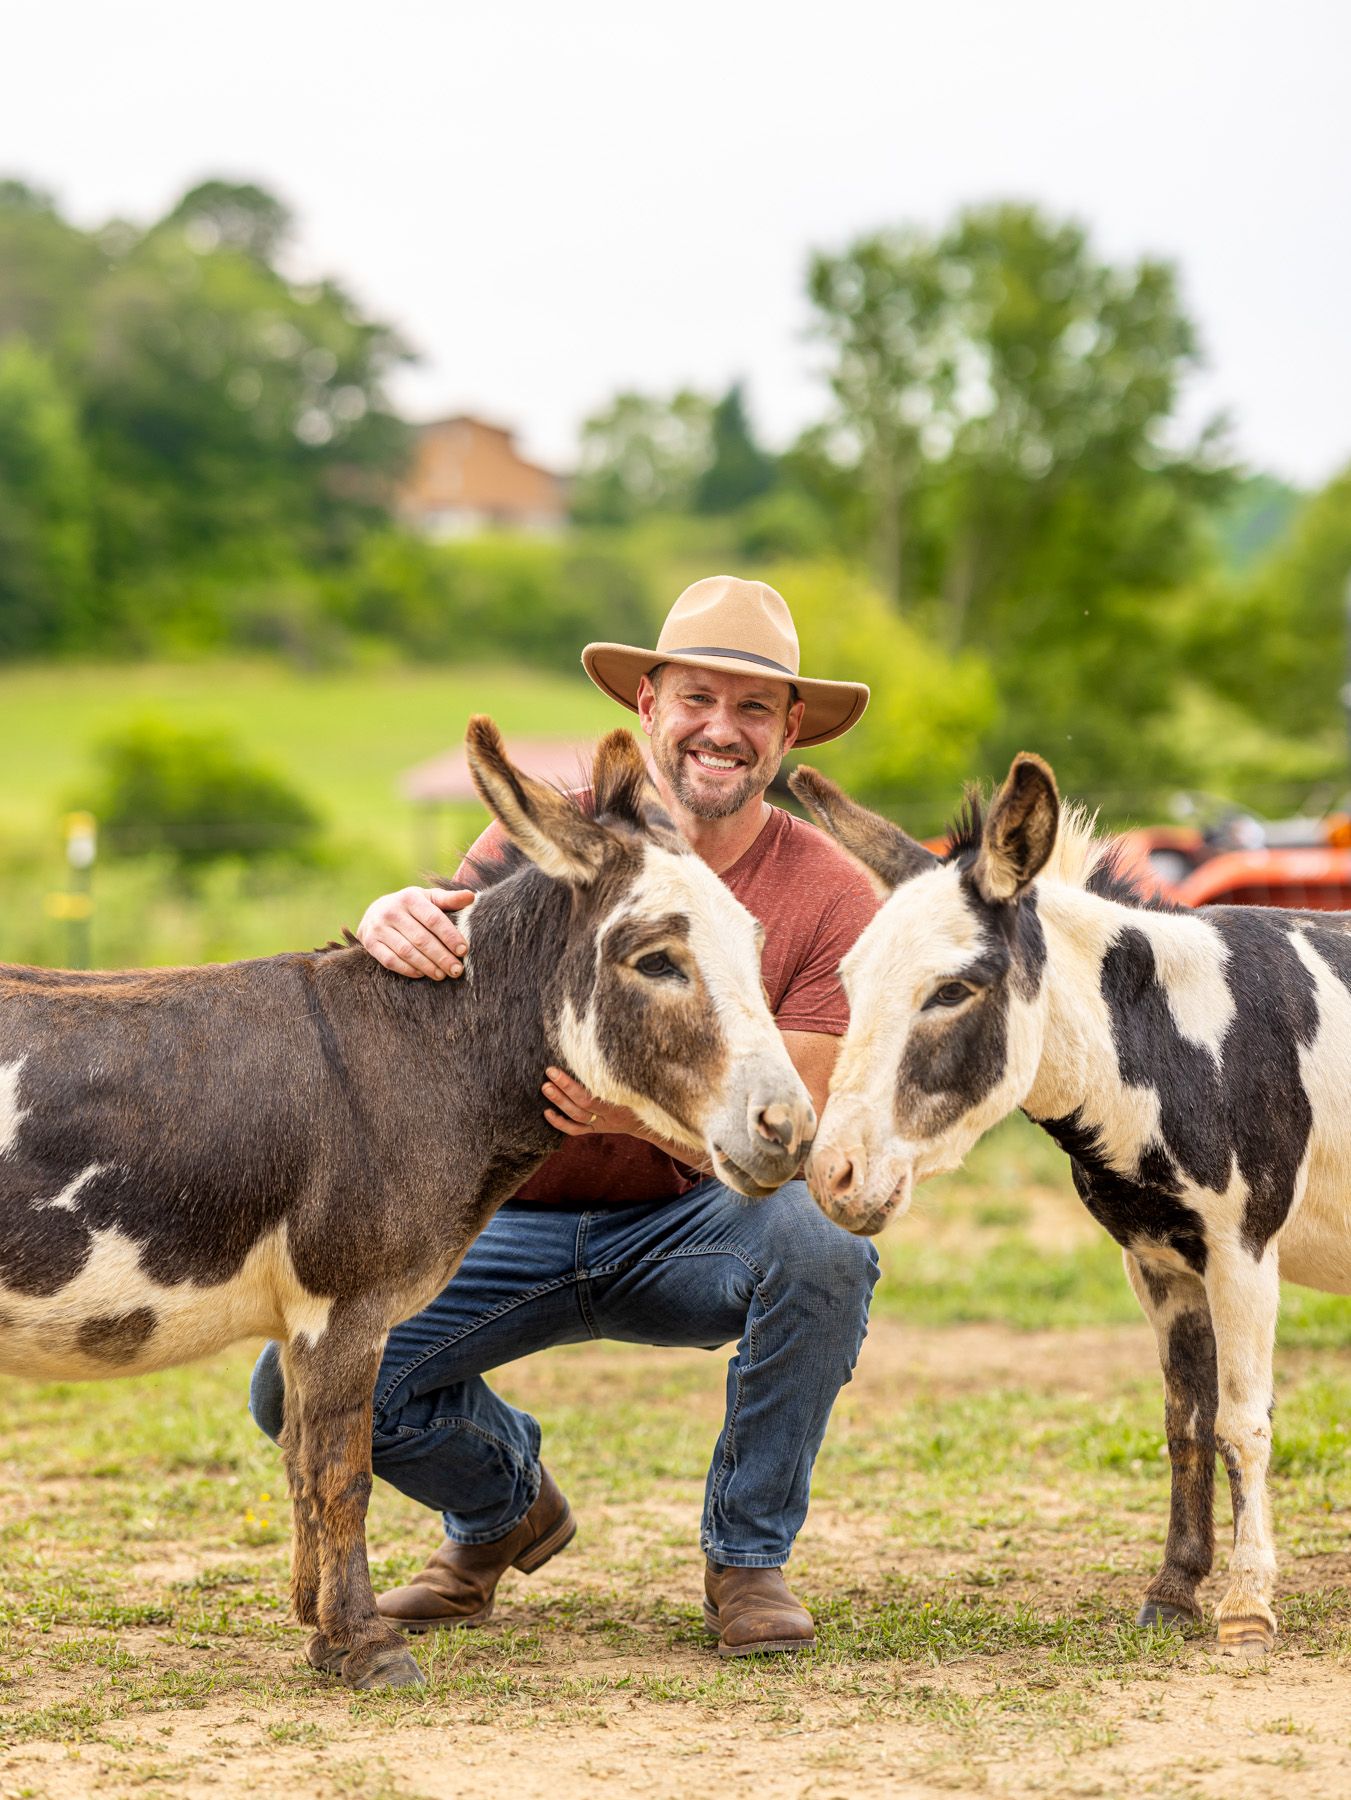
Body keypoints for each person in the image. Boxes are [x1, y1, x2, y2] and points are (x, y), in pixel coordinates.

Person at [249, 575, 881, 1657]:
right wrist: (385, 916)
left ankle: (747, 1561)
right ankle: (503, 1511)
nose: (720, 730)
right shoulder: (541, 847)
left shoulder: (831, 897)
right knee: (289, 1389)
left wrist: (625, 1117)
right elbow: (429, 1004)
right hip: (505, 1223)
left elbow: (804, 1135)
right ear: (647, 702)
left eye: (753, 709)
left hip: (694, 1223)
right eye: (697, 698)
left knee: (823, 1247)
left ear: (787, 734)